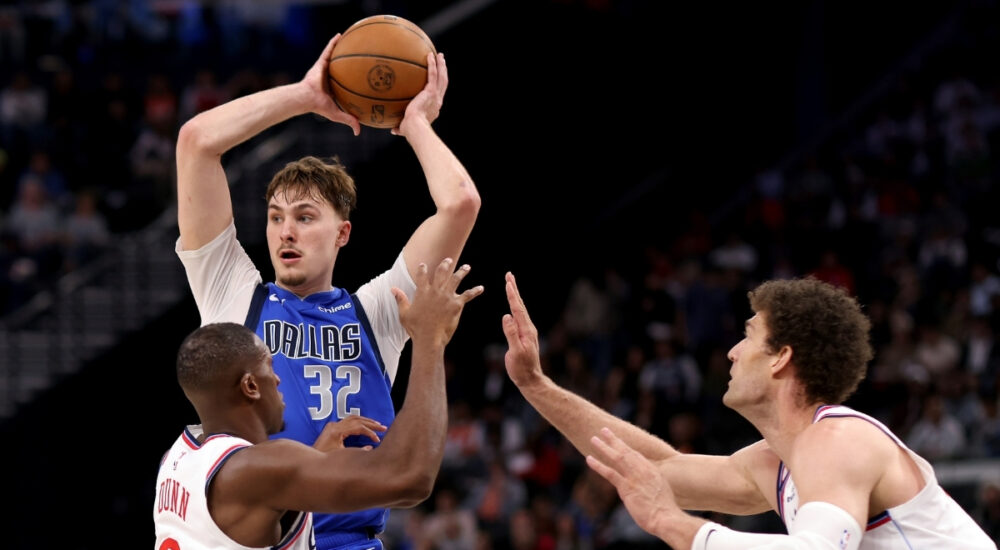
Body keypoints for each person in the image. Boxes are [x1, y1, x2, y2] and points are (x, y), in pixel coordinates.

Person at [174, 32, 480, 550]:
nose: (285, 231)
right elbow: (197, 142)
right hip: (269, 537)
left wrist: (415, 125)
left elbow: (460, 203)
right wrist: (305, 95)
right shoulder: (233, 294)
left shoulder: (379, 311)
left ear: (343, 233)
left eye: (305, 217)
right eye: (275, 218)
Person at [500, 273, 997, 549]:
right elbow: (658, 467)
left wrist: (675, 525)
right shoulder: (775, 464)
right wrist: (537, 386)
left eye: (748, 337)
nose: (732, 353)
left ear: (782, 358)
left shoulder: (840, 440)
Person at [154, 258, 483, 549]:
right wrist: (431, 340)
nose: (279, 378)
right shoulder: (255, 468)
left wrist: (314, 458)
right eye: (270, 366)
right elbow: (411, 478)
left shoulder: (177, 459)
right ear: (250, 386)